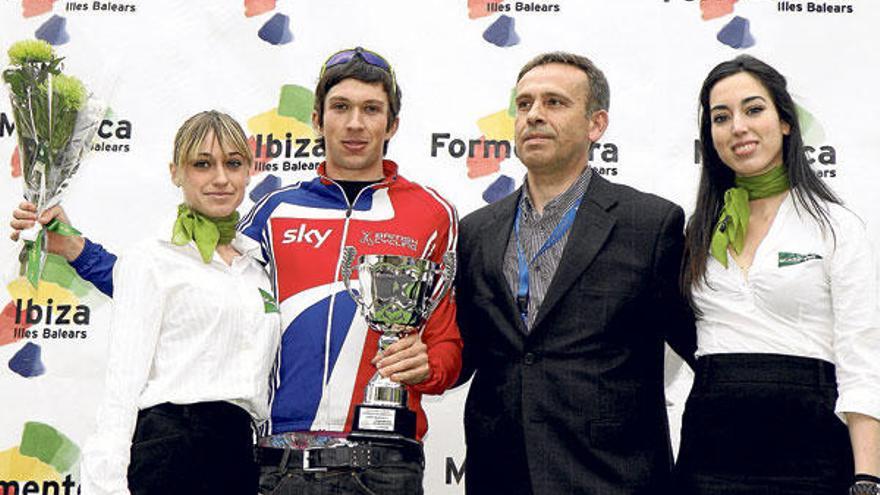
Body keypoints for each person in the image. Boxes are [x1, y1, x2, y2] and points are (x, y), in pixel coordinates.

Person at [11, 48, 462, 494]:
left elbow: (448, 345)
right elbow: (183, 282)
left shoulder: (432, 214)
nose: (355, 123)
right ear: (317, 119)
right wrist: (76, 249)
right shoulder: (274, 211)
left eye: (371, 109)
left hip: (384, 463)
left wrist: (429, 365)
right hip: (278, 465)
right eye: (340, 107)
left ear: (394, 123)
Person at [454, 51, 696, 494]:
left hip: (611, 477)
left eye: (554, 103)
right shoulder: (475, 230)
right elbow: (463, 354)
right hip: (500, 474)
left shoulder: (650, 224)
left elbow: (701, 347)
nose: (534, 116)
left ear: (596, 124)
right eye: (524, 104)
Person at [674, 54, 880, 495]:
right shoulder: (699, 229)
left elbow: (861, 358)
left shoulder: (835, 225)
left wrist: (867, 479)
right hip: (710, 451)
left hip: (812, 452)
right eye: (721, 117)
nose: (738, 128)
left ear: (785, 121)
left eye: (754, 109)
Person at [76, 110, 281, 494]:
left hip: (240, 455)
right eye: (202, 164)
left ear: (248, 171)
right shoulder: (151, 258)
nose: (220, 178)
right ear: (176, 173)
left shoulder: (256, 268)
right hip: (171, 451)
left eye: (233, 164)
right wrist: (106, 483)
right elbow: (123, 383)